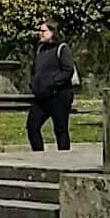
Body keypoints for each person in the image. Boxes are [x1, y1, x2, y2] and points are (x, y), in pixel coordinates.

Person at [26, 21, 76, 152]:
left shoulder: (62, 49)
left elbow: (67, 70)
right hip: (42, 96)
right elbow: (35, 69)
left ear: (53, 32)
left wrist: (53, 82)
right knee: (32, 126)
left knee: (60, 129)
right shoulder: (40, 49)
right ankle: (39, 154)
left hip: (59, 96)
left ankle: (64, 158)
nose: (40, 34)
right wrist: (34, 83)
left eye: (44, 31)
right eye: (40, 31)